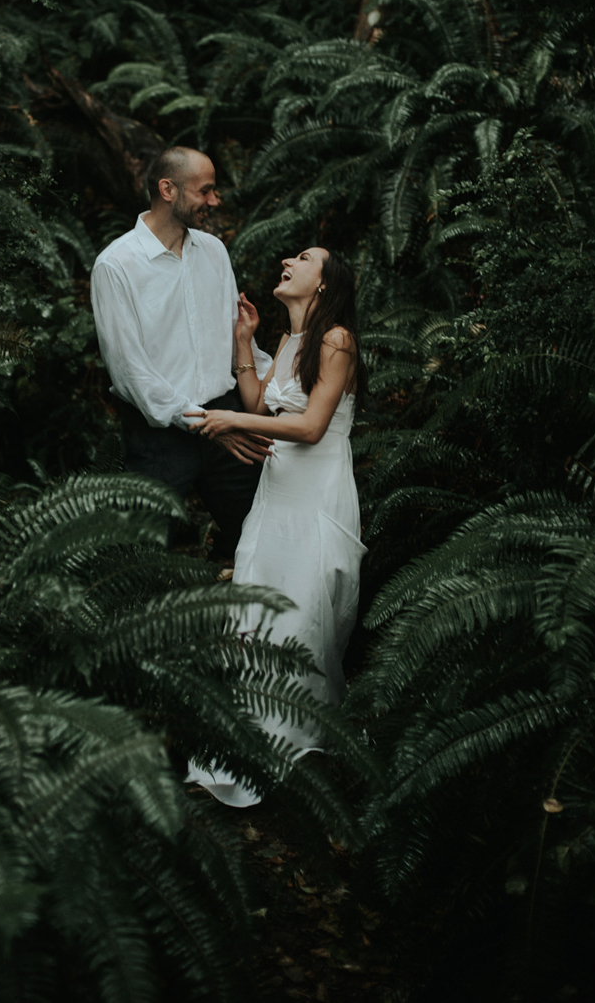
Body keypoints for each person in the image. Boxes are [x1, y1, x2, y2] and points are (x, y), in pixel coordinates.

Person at [182, 243, 366, 808]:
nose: (289, 260)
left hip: (315, 499)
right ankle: (250, 741)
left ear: (324, 283)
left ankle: (304, 743)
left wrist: (230, 419)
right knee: (257, 615)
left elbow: (310, 427)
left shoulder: (337, 340)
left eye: (305, 258)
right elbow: (264, 405)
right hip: (275, 496)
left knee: (304, 617)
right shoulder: (290, 343)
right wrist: (245, 344)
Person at [90, 147, 273, 569]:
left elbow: (235, 344)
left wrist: (285, 391)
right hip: (159, 437)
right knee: (143, 560)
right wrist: (205, 424)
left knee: (260, 536)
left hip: (229, 420)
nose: (214, 200)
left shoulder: (214, 251)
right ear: (167, 189)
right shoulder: (116, 266)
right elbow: (131, 372)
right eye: (205, 190)